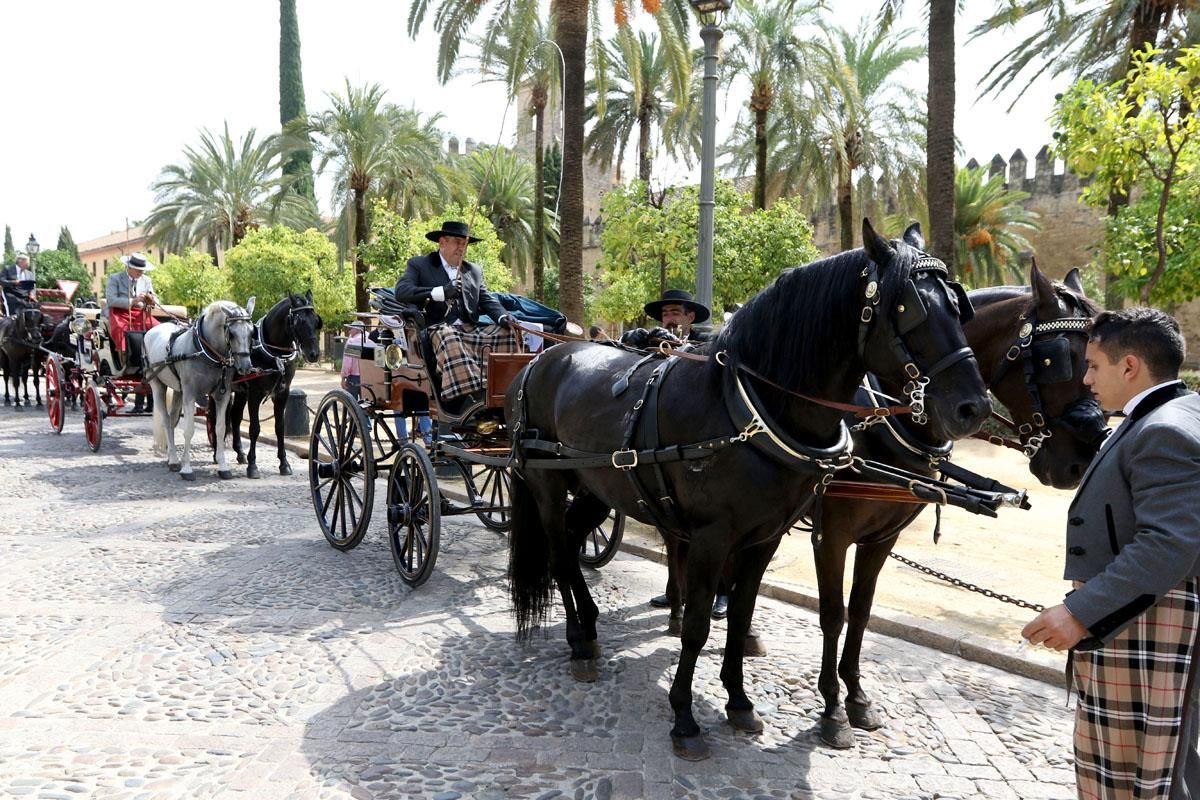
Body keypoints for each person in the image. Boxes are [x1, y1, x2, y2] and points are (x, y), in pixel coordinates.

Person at [1022, 307, 1200, 799]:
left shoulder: (1164, 429)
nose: (1085, 377)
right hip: (1137, 623)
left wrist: (1079, 612)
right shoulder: (1176, 412)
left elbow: (1169, 543)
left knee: (1141, 778)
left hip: (1147, 630)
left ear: (1130, 367)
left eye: (1095, 365)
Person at [623, 290, 730, 620]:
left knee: (719, 526)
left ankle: (723, 592)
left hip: (710, 441)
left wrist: (680, 347)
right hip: (665, 441)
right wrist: (639, 337)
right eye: (665, 314)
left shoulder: (708, 341)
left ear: (689, 317)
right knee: (671, 528)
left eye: (674, 313)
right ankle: (675, 589)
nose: (668, 318)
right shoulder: (650, 339)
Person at [393, 220, 517, 417]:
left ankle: (505, 393)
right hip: (435, 331)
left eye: (464, 243)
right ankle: (469, 397)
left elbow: (487, 300)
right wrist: (439, 292)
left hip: (469, 330)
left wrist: (504, 317)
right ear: (442, 242)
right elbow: (402, 291)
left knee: (509, 334)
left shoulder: (473, 271)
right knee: (449, 337)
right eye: (457, 242)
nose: (462, 248)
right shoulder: (420, 265)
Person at [104, 252, 159, 411]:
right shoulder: (115, 278)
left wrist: (151, 300)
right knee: (122, 330)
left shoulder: (147, 280)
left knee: (156, 330)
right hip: (119, 312)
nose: (141, 273)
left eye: (143, 270)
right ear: (129, 268)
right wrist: (132, 301)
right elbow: (111, 300)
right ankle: (125, 360)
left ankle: (153, 358)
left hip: (140, 313)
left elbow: (155, 300)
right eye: (138, 270)